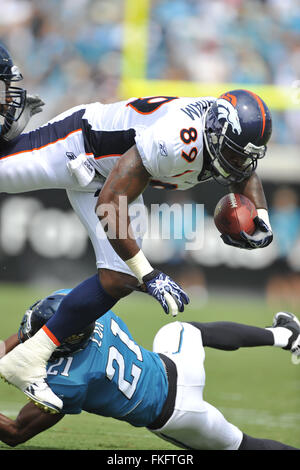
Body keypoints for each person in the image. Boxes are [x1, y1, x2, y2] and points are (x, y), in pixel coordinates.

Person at [0, 45, 274, 413]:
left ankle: (27, 360)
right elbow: (110, 204)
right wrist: (150, 274)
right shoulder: (178, 142)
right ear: (214, 132)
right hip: (79, 148)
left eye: (247, 155)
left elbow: (246, 172)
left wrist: (261, 219)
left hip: (109, 175)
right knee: (131, 271)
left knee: (117, 277)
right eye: (236, 153)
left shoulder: (224, 134)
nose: (240, 163)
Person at [0, 290, 299, 450]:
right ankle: (286, 336)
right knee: (180, 330)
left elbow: (15, 434)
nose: (29, 335)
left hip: (179, 413)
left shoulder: (69, 383)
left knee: (239, 446)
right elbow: (35, 336)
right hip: (176, 366)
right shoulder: (85, 311)